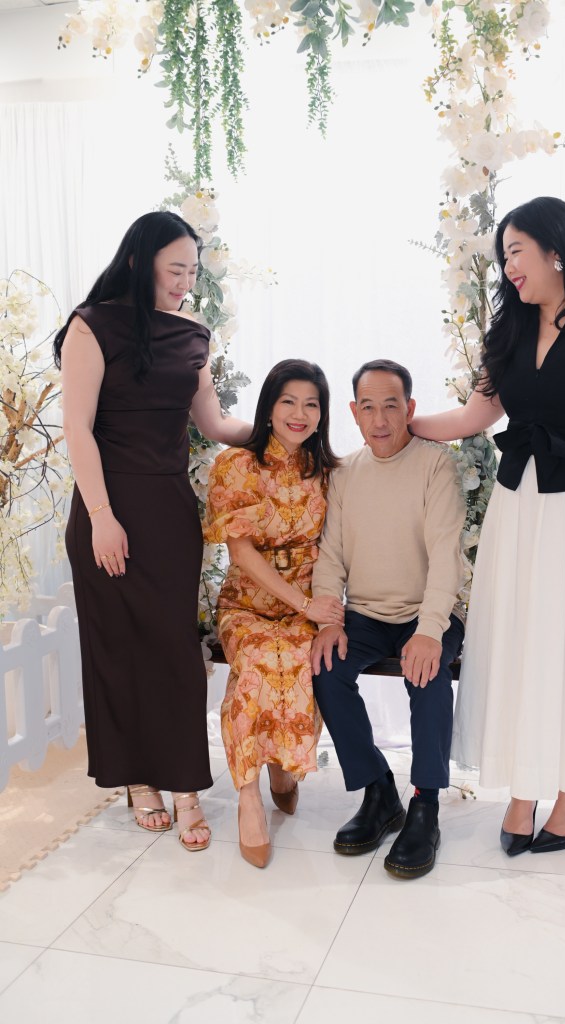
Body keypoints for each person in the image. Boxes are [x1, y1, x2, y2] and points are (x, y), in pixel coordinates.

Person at [410, 196, 565, 855]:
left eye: (516, 252)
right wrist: (399, 423)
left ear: (555, 249)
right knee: (523, 643)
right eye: (503, 257)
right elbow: (473, 417)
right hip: (519, 508)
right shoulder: (510, 329)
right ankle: (523, 788)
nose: (508, 268)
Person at [55, 211, 253, 851]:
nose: (185, 283)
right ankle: (139, 778)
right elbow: (78, 428)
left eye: (192, 272)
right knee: (117, 647)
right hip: (107, 507)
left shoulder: (193, 334)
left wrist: (285, 426)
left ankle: (186, 785)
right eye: (175, 270)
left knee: (174, 650)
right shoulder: (91, 325)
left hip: (169, 510)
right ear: (139, 262)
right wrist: (102, 517)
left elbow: (215, 423)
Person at [311, 359, 465, 880]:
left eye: (391, 406)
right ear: (353, 412)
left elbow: (445, 554)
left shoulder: (435, 465)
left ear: (410, 409)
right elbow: (330, 556)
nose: (380, 420)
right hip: (366, 615)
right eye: (368, 407)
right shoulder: (344, 474)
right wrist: (330, 619)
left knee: (428, 676)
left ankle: (425, 804)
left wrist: (429, 630)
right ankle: (378, 792)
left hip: (429, 612)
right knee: (327, 668)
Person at [203, 359, 344, 868]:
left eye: (311, 404)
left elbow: (340, 546)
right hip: (248, 605)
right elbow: (241, 553)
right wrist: (303, 604)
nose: (300, 413)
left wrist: (322, 609)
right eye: (289, 401)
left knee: (307, 662)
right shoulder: (236, 465)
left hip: (310, 602)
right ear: (269, 407)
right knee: (259, 665)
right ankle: (248, 796)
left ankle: (283, 766)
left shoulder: (327, 473)